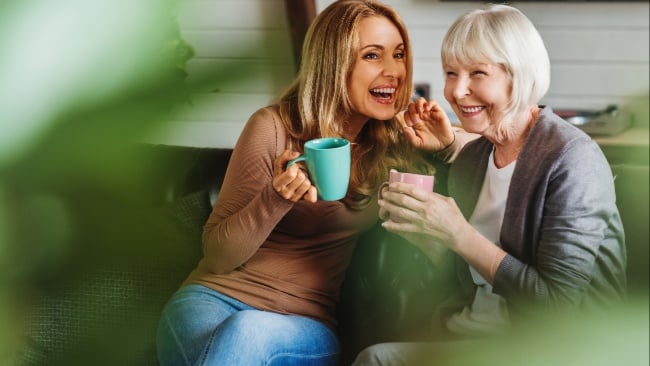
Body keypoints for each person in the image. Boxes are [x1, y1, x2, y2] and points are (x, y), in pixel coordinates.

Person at [155, 1, 437, 365]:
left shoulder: (393, 144)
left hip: (304, 323)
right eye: (372, 55)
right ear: (334, 63)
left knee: (248, 331)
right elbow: (218, 257)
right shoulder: (272, 127)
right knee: (237, 334)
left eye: (398, 55)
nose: (393, 70)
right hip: (210, 301)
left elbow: (480, 149)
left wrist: (444, 148)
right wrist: (275, 198)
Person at [352, 4, 627, 365]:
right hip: (473, 337)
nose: (457, 90)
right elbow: (468, 275)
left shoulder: (572, 159)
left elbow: (560, 305)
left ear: (520, 76)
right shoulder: (471, 160)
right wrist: (428, 238)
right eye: (451, 73)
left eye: (478, 73)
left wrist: (457, 233)